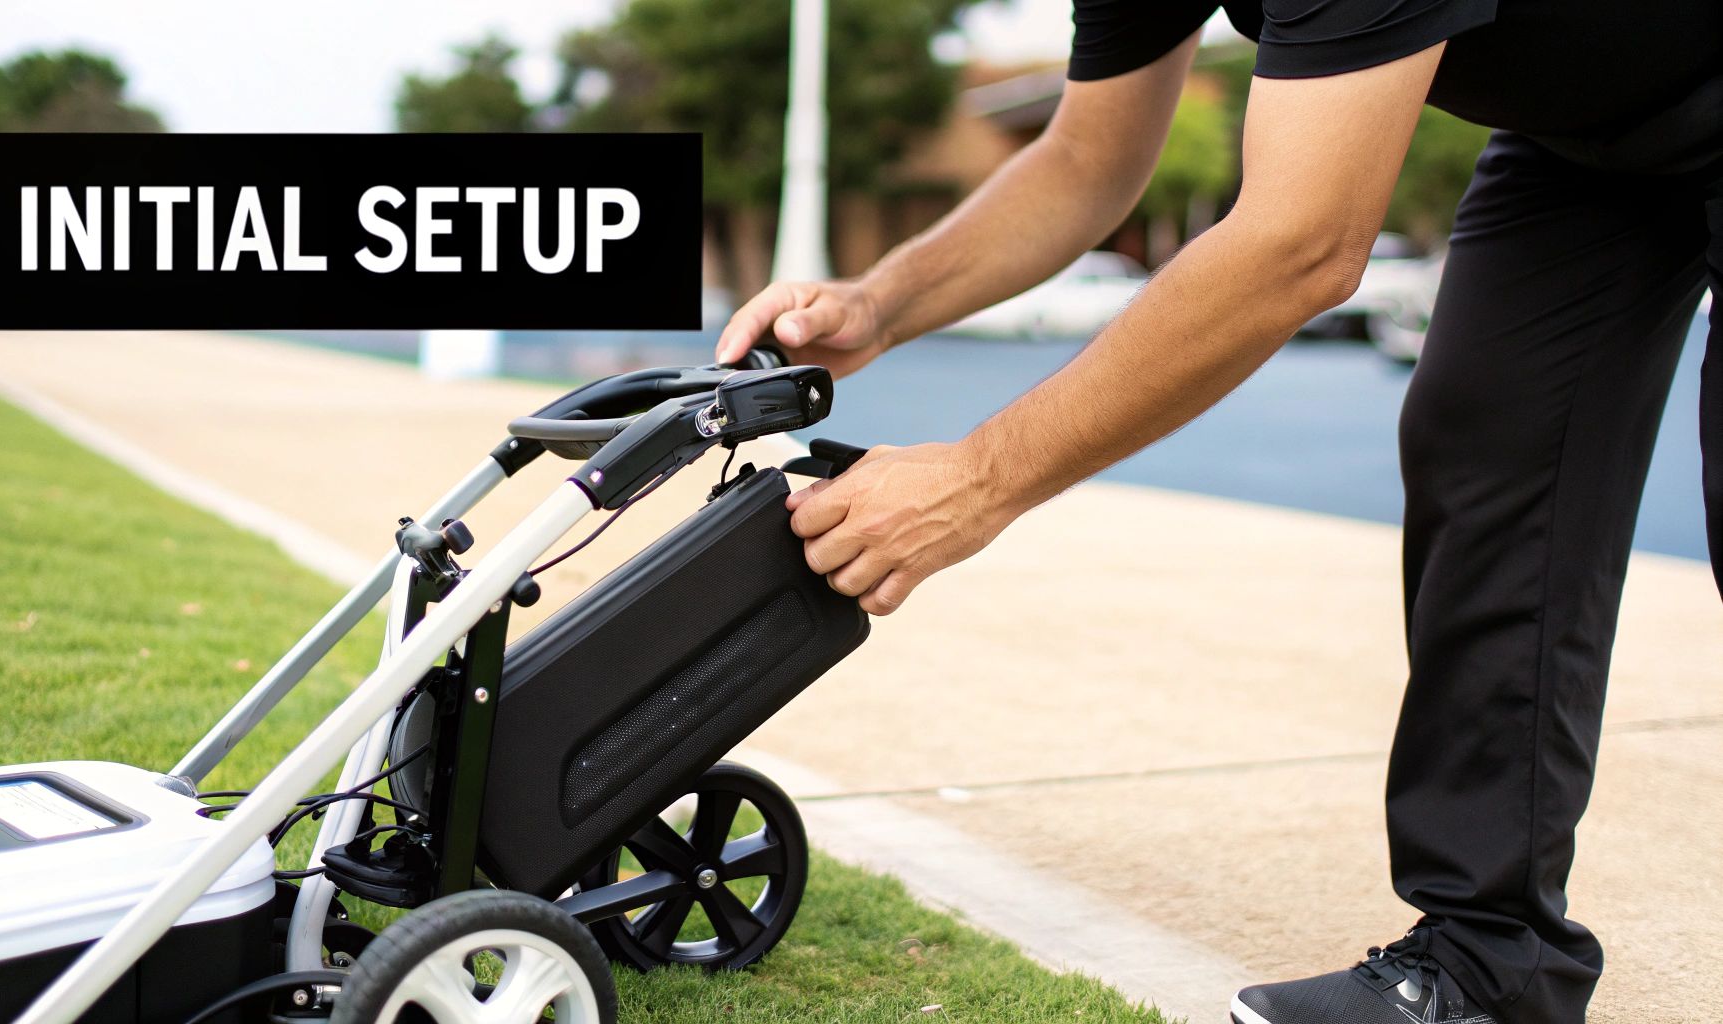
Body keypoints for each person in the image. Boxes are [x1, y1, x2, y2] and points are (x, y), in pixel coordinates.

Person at [714, 2, 1722, 1022]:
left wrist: (977, 479)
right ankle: (1486, 968)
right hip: (1584, 145)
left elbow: (1300, 242)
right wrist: (881, 303)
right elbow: (1085, 158)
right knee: (1488, 450)